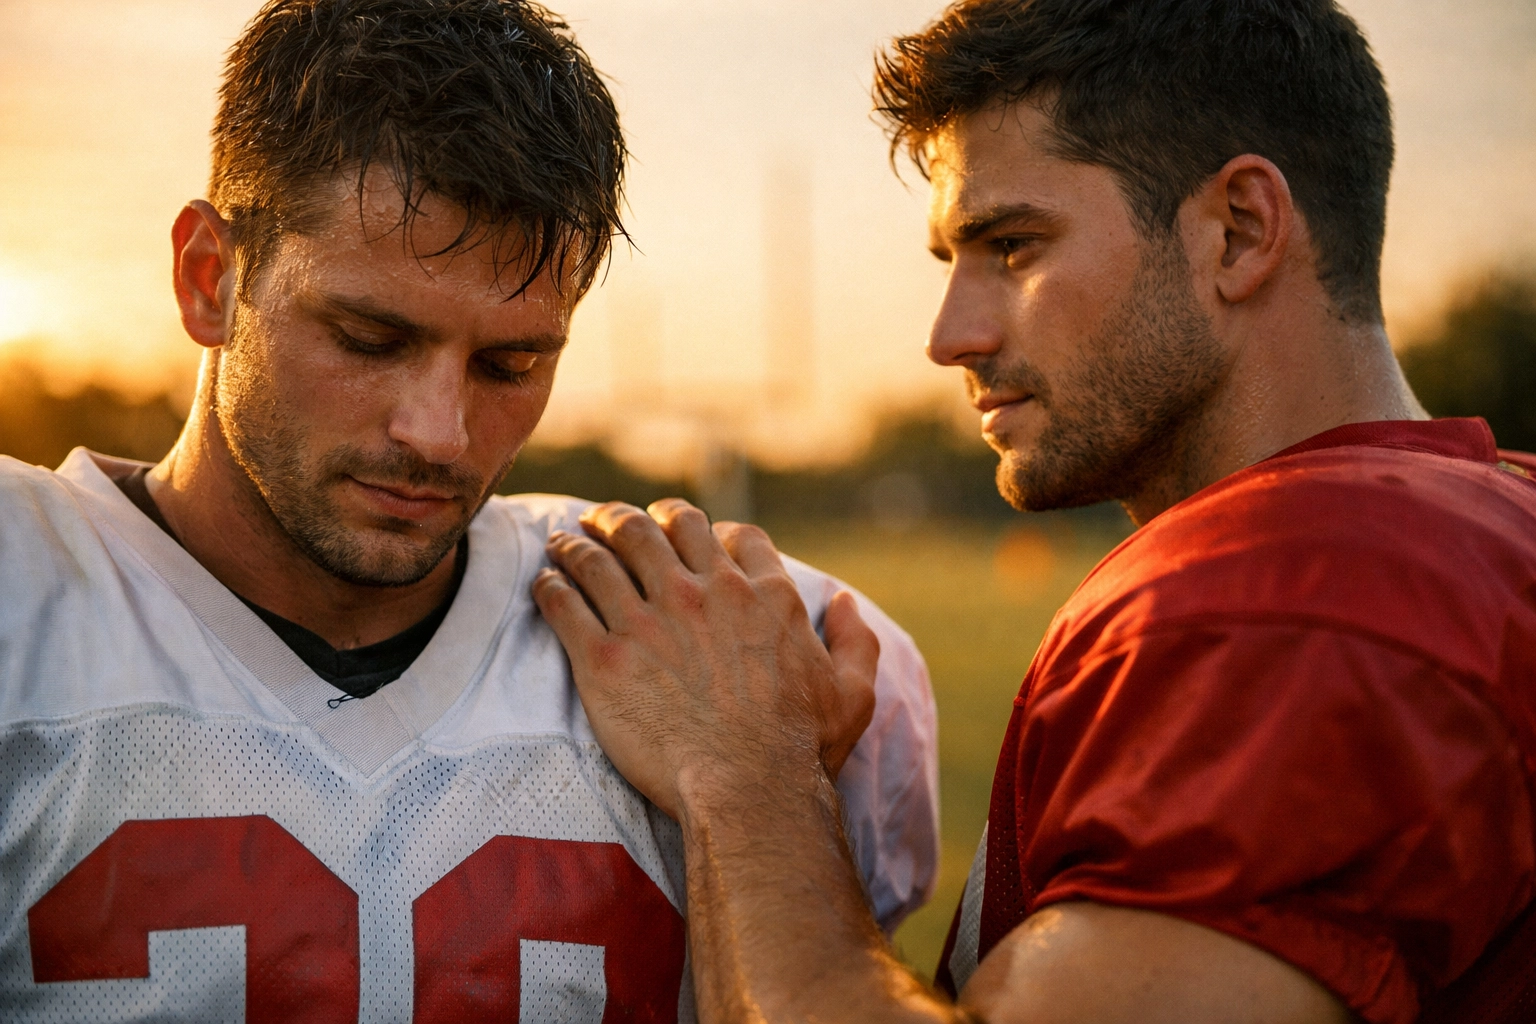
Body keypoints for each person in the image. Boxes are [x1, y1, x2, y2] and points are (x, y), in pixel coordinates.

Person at [534, 1, 1536, 1022]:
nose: (950, 335)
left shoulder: (1298, 598)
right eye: (949, 263)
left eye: (1011, 246)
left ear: (1238, 231)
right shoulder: (1482, 514)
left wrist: (748, 772)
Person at [0, 1, 939, 1019]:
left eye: (510, 363)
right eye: (367, 337)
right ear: (209, 279)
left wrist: (767, 786)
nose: (440, 432)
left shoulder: (752, 648)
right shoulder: (24, 591)